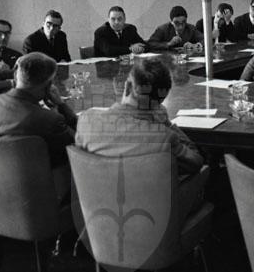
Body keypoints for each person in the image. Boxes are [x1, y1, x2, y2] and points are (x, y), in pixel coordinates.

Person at [76, 58, 207, 219]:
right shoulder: (163, 137)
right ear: (162, 100)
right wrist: (167, 123)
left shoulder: (87, 120)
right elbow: (196, 161)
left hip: (98, 219)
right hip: (153, 223)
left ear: (127, 86)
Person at [0, 52, 76, 168]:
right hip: (40, 178)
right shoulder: (50, 119)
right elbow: (78, 143)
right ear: (49, 86)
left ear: (15, 76)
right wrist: (61, 105)